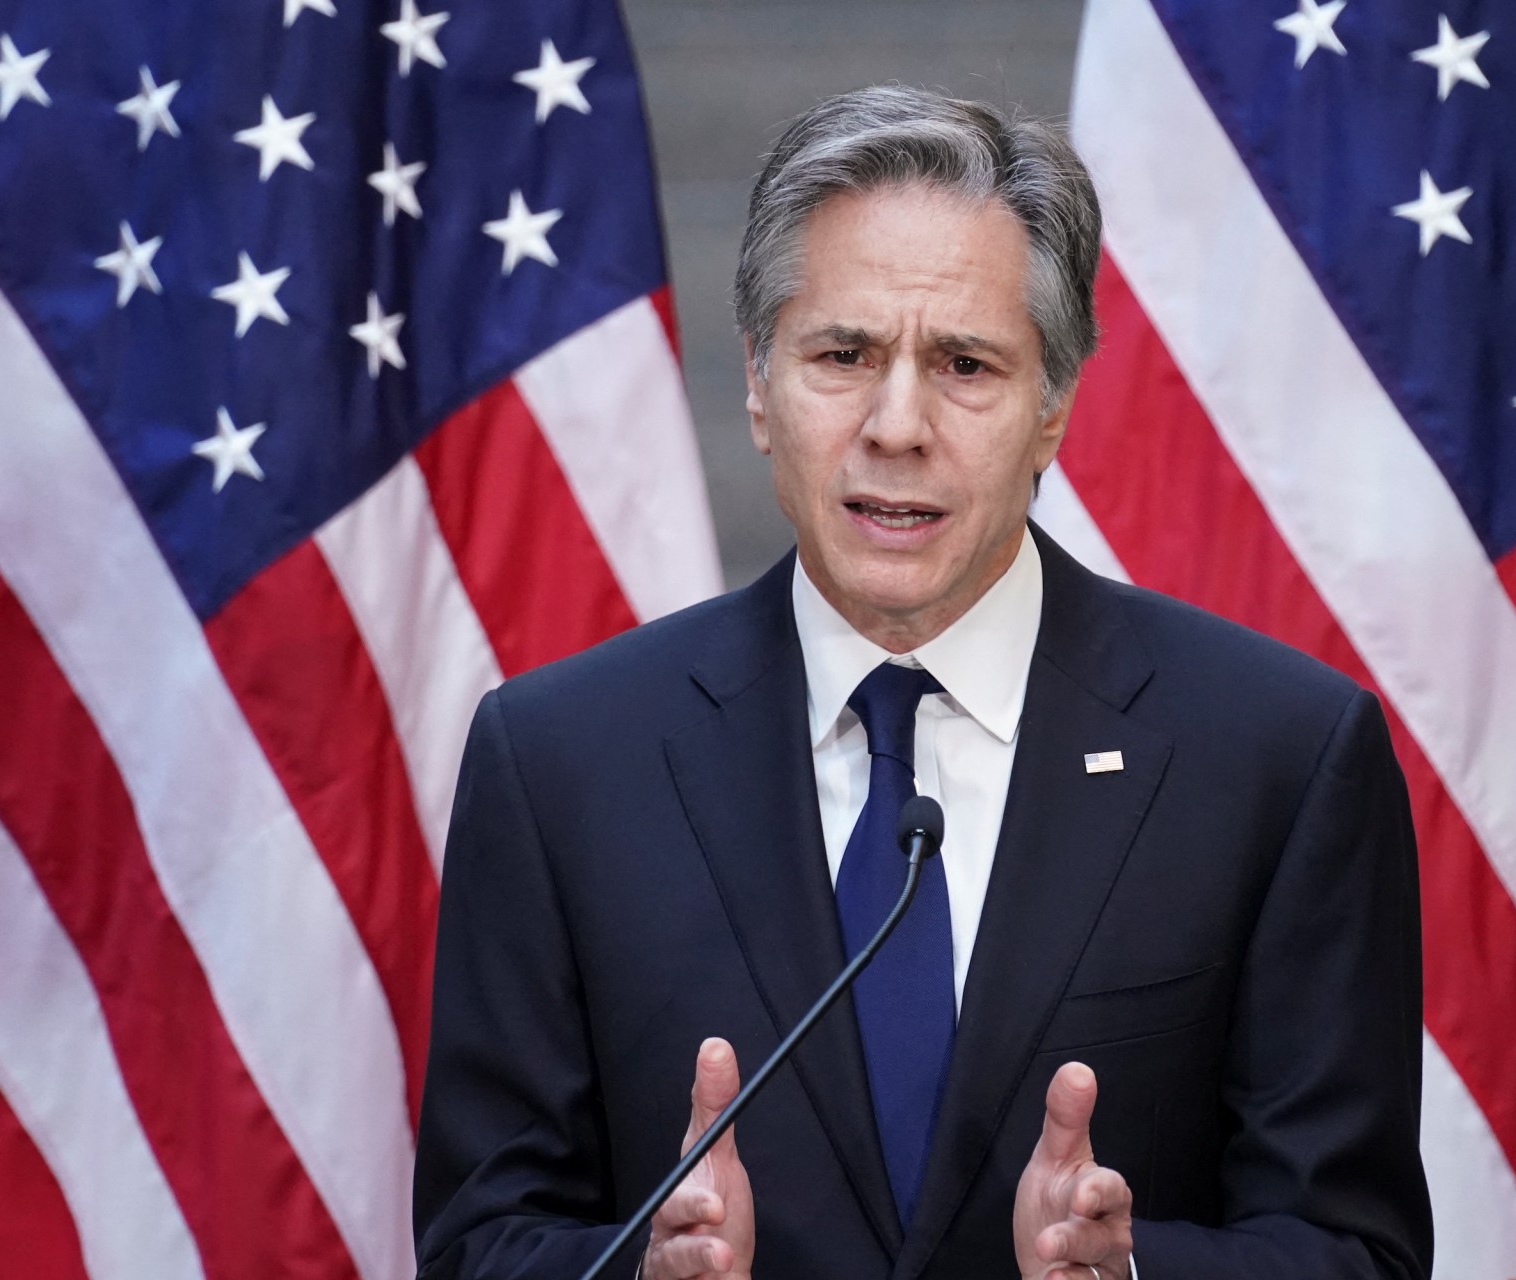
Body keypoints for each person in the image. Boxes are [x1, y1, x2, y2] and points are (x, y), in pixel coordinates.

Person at [413, 86, 1432, 1280]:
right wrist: (644, 1269)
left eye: (964, 364)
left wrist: (1134, 1271)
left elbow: (1353, 1250)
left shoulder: (1276, 757)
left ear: (1052, 406)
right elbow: (480, 1242)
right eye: (842, 354)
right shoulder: (560, 761)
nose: (897, 424)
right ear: (757, 383)